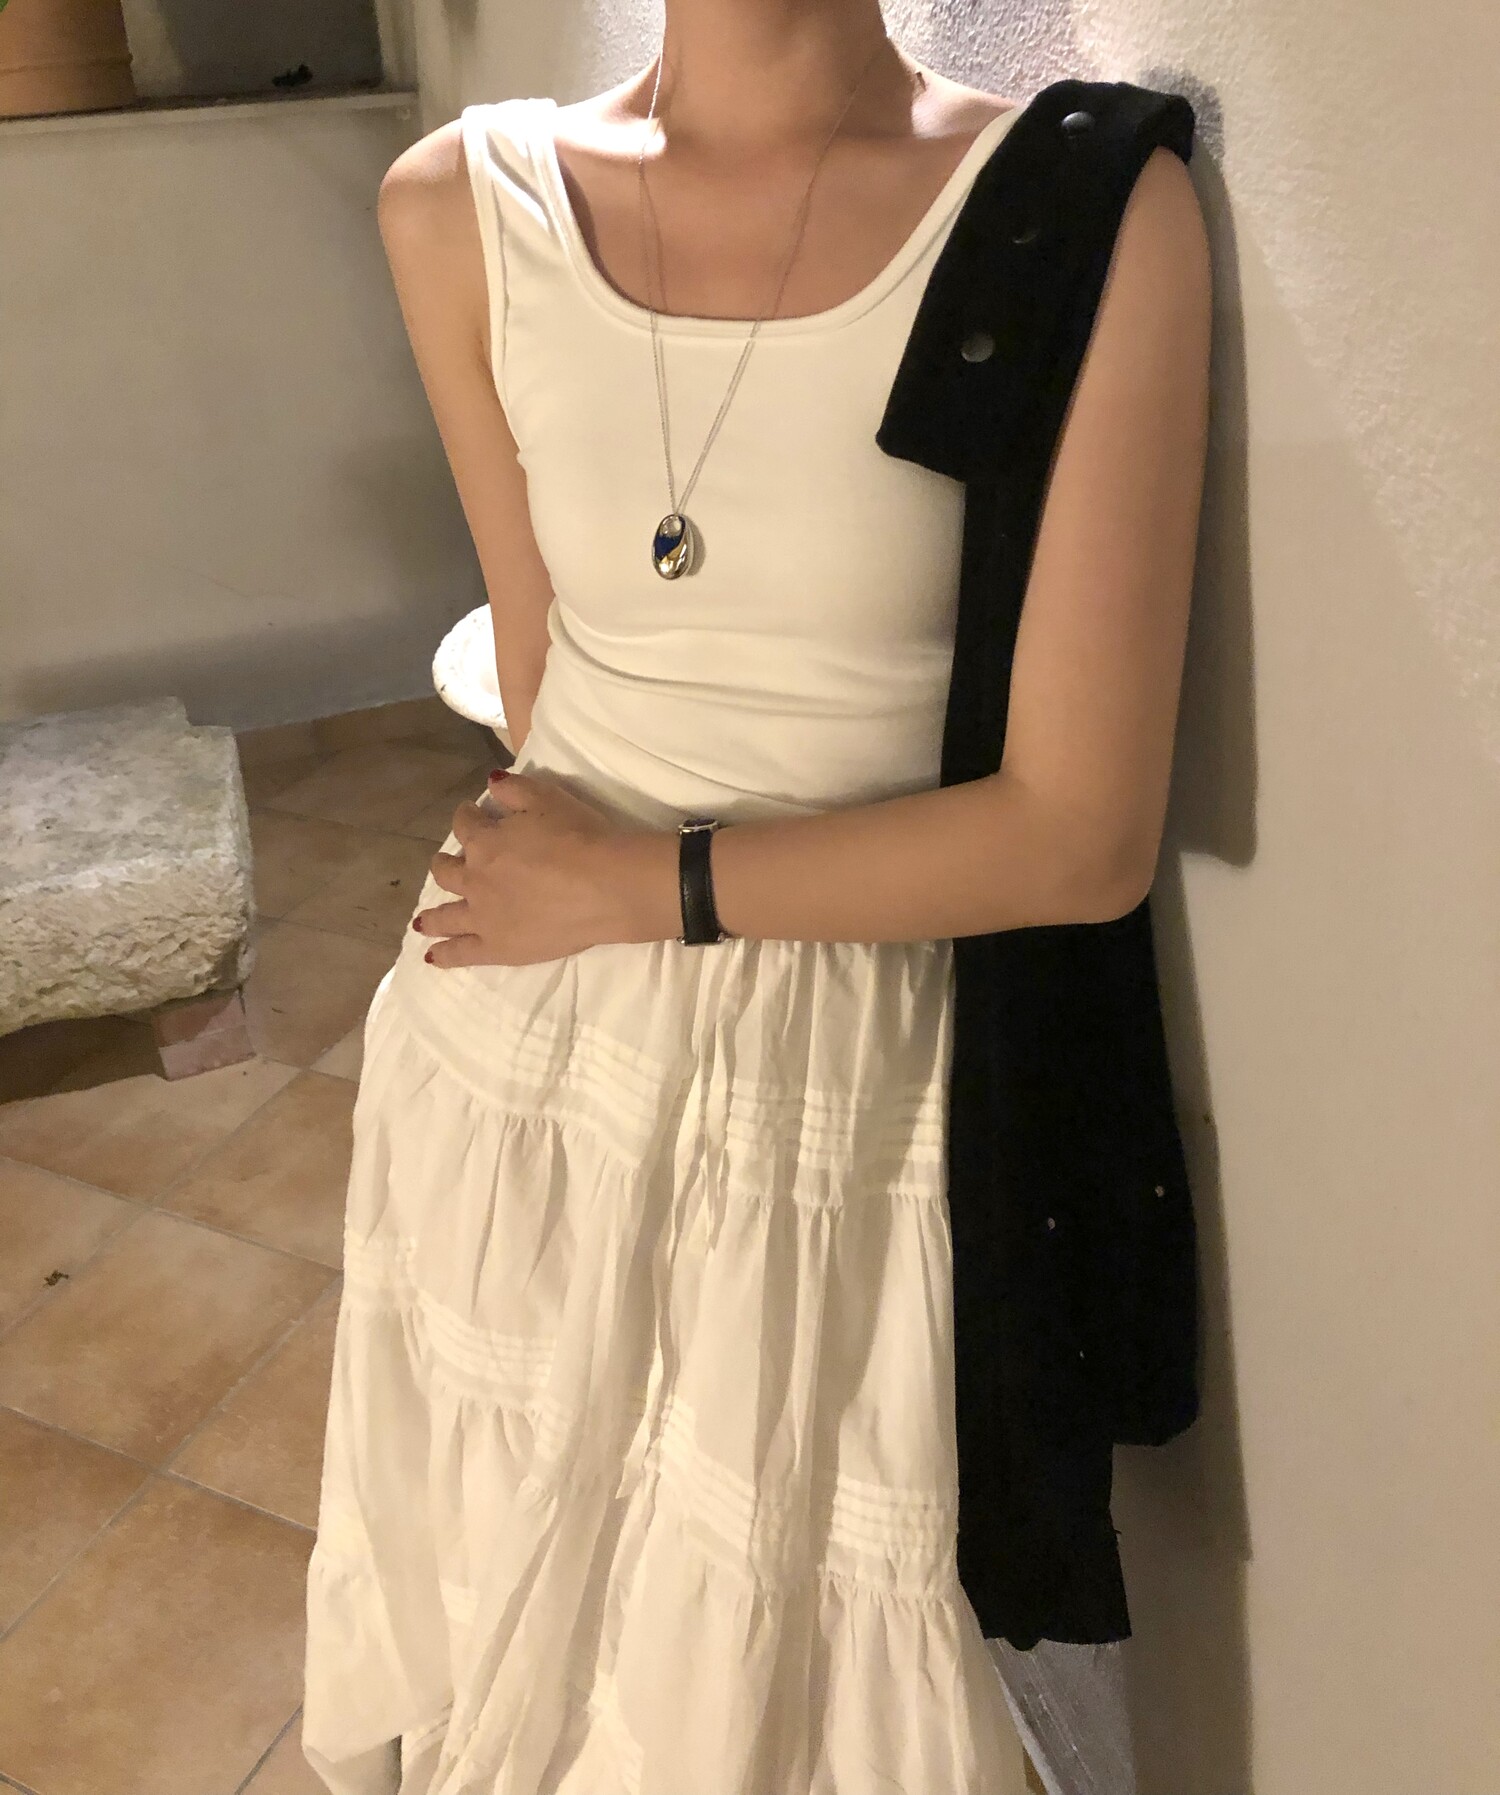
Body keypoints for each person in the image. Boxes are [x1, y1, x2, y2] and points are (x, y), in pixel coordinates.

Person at [300, 5, 1212, 1792]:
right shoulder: (458, 206)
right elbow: (548, 683)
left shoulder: (1075, 205)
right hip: (522, 1065)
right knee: (517, 1604)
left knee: (770, 1699)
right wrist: (585, 896)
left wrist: (651, 886)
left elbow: (1081, 836)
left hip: (841, 1091)